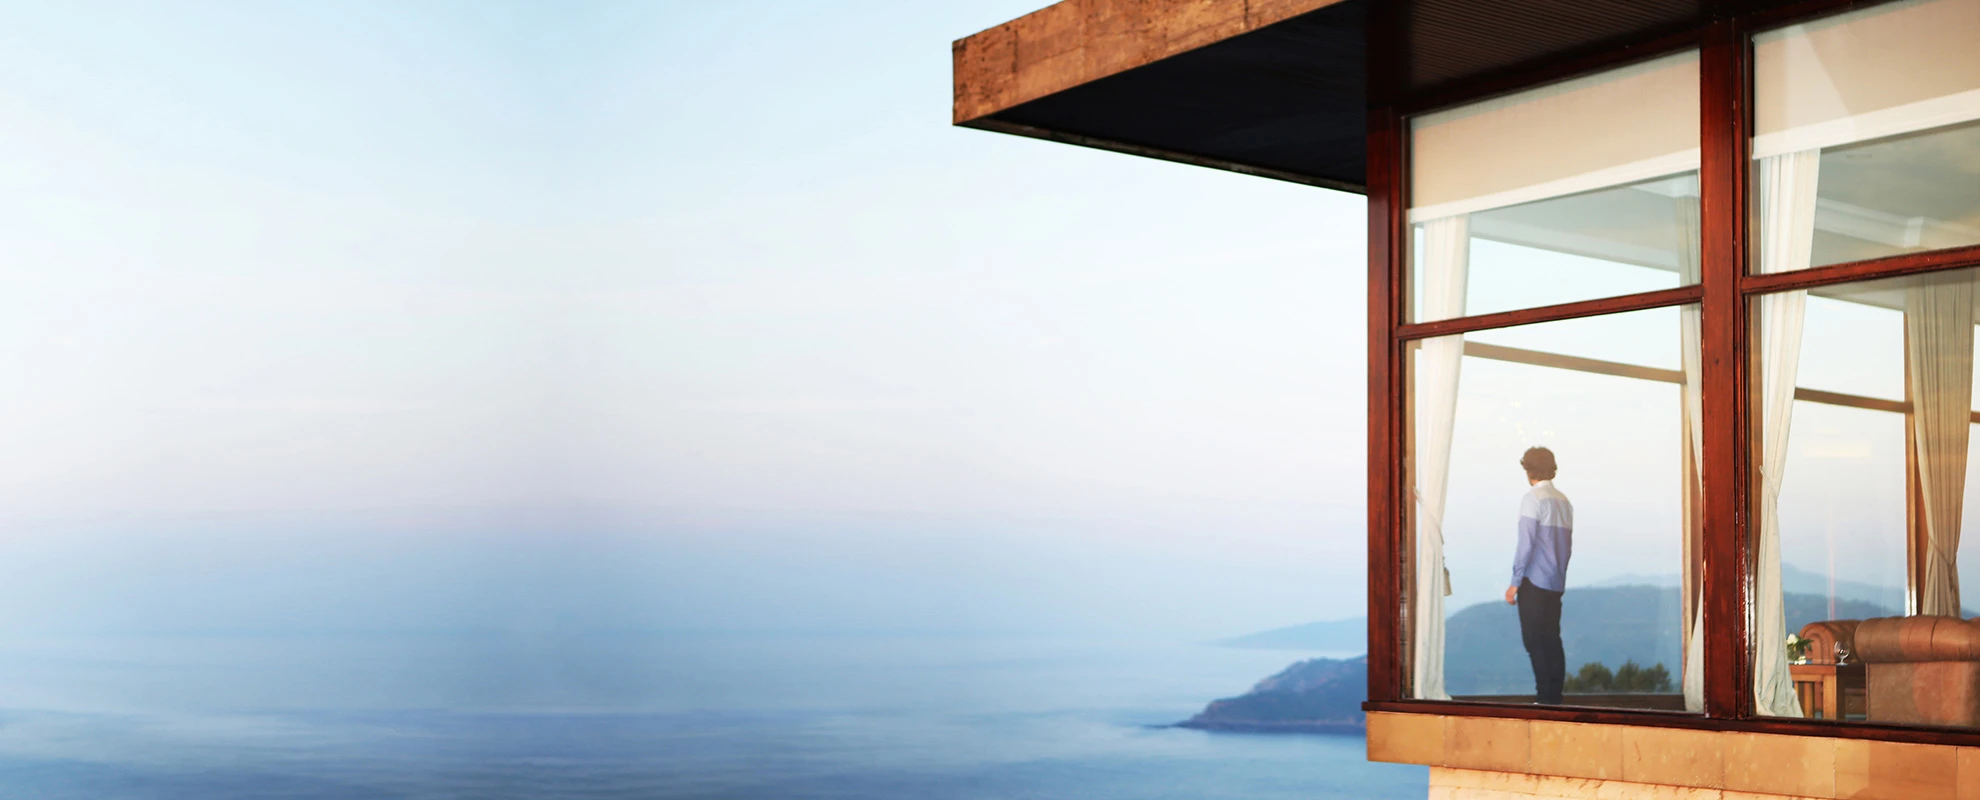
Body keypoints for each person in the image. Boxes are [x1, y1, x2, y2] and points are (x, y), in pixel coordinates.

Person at [1504, 446, 1572, 705]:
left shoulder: (1532, 499)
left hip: (1534, 581)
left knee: (1533, 640)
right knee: (1552, 639)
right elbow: (1567, 546)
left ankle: (1544, 698)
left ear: (1529, 470)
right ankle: (1554, 697)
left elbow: (1526, 545)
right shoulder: (1565, 502)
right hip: (1555, 582)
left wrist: (1514, 583)